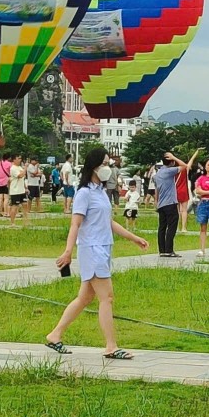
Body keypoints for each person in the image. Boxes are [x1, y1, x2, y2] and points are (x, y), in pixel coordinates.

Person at [43, 148, 150, 358]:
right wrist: (68, 252)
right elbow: (75, 224)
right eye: (104, 164)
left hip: (103, 247)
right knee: (106, 298)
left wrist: (133, 238)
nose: (107, 168)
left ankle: (55, 335)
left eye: (108, 164)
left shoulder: (100, 192)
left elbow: (108, 222)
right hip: (91, 249)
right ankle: (111, 346)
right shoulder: (84, 193)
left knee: (84, 298)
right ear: (93, 166)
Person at [154, 150, 196, 257]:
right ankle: (169, 250)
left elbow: (157, 190)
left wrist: (156, 202)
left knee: (162, 227)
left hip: (161, 204)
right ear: (172, 162)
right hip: (170, 203)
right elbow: (185, 166)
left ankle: (162, 250)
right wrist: (174, 157)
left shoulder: (158, 173)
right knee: (172, 226)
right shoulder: (170, 171)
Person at [7, 154, 29, 227]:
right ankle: (12, 223)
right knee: (15, 206)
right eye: (18, 158)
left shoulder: (19, 167)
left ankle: (26, 221)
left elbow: (23, 179)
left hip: (22, 190)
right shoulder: (13, 168)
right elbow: (20, 175)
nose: (20, 160)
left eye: (20, 158)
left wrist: (25, 188)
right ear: (14, 160)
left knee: (25, 205)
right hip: (15, 191)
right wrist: (25, 168)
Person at [177, 159, 193, 233]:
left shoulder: (174, 171)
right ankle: (183, 228)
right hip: (184, 191)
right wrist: (196, 152)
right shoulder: (185, 170)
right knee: (184, 210)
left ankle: (176, 227)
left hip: (175, 191)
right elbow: (190, 162)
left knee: (176, 211)